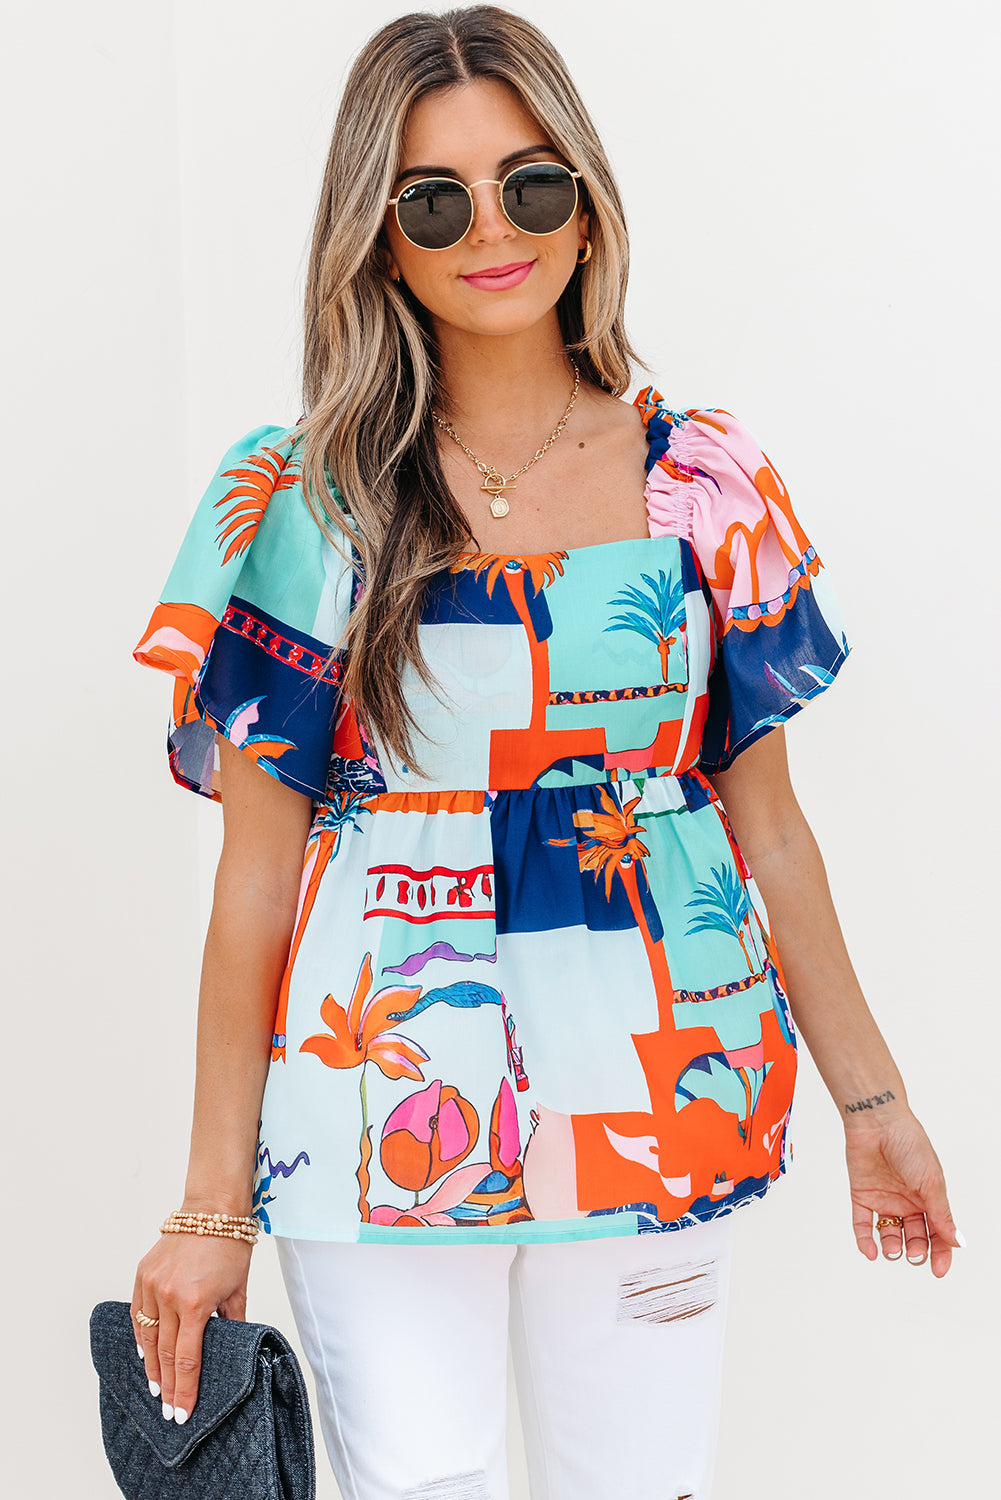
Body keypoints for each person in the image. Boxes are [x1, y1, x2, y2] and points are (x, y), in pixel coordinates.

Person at [130, 7, 962, 1497]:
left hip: (662, 1086)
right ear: (377, 240)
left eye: (529, 184)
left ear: (586, 207)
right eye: (433, 200)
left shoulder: (701, 482)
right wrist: (207, 1209)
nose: (492, 230)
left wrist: (874, 1104)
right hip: (380, 1106)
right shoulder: (304, 503)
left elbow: (769, 829)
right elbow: (253, 882)